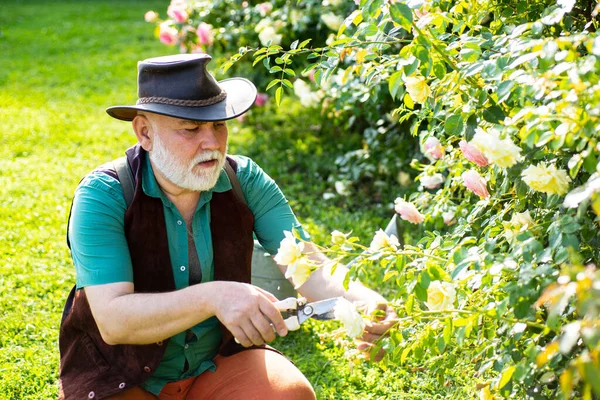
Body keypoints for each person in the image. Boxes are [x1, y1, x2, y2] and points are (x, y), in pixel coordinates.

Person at [59, 53, 397, 400]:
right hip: (119, 374)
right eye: (191, 129)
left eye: (219, 124)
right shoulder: (104, 196)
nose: (213, 143)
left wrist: (367, 301)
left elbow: (311, 269)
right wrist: (214, 297)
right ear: (145, 131)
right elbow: (114, 321)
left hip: (213, 363)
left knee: (290, 395)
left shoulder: (245, 179)